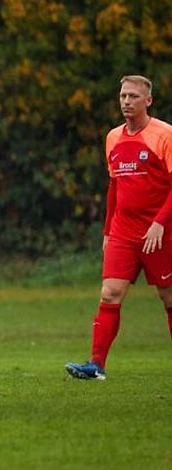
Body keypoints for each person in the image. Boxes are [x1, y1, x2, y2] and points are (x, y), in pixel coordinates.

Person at [66, 75, 172, 380]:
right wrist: (108, 231)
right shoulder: (113, 137)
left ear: (148, 101)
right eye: (123, 96)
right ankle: (96, 364)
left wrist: (159, 224)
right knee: (110, 293)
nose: (127, 101)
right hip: (124, 231)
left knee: (169, 298)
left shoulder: (164, 135)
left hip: (161, 231)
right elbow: (114, 186)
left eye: (134, 96)